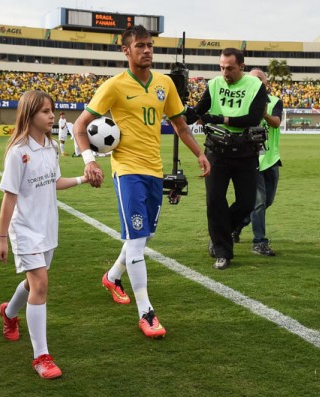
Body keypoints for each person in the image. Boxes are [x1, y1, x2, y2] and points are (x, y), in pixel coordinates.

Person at [73, 25, 210, 339]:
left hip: (154, 172)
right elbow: (82, 126)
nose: (147, 50)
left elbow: (181, 126)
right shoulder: (113, 86)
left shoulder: (164, 84)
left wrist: (200, 155)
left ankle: (112, 276)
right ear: (126, 51)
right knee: (137, 241)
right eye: (140, 46)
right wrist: (89, 160)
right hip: (128, 172)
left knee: (143, 237)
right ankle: (146, 312)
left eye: (150, 45)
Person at [0, 90, 93, 379]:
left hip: (47, 226)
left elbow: (53, 182)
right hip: (24, 229)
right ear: (30, 115)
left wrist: (82, 179)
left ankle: (9, 313)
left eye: (52, 111)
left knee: (33, 282)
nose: (52, 116)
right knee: (40, 285)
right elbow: (9, 197)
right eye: (46, 112)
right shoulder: (18, 152)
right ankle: (42, 357)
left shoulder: (50, 147)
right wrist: (2, 238)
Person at [191, 47, 268, 270]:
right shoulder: (214, 84)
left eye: (230, 68)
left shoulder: (255, 86)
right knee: (214, 201)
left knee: (246, 203)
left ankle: (221, 233)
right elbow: (199, 110)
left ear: (242, 67)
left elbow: (253, 118)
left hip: (246, 152)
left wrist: (220, 117)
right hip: (216, 151)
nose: (225, 72)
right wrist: (184, 112)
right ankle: (222, 251)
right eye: (222, 67)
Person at [233, 68, 282, 256]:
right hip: (251, 159)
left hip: (271, 159)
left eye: (260, 79)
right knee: (259, 203)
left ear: (266, 82)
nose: (257, 82)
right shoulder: (244, 101)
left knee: (266, 201)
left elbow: (276, 122)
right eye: (253, 79)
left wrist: (263, 114)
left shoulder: (275, 102)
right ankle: (259, 242)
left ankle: (236, 225)